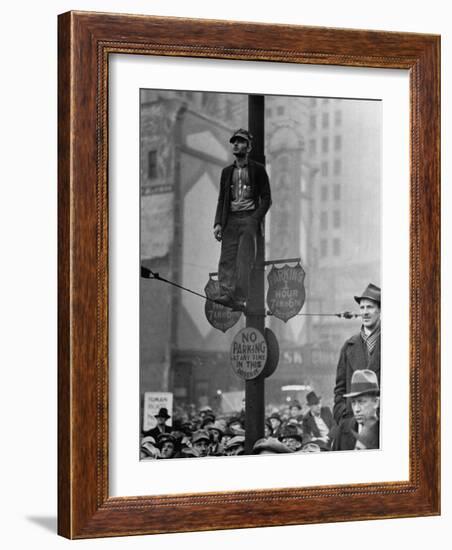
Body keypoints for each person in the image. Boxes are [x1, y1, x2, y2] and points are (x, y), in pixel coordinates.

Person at [213, 129, 272, 310]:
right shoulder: (226, 172)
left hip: (248, 219)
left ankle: (239, 298)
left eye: (240, 141)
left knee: (244, 259)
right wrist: (218, 223)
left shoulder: (258, 170)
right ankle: (226, 294)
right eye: (234, 142)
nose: (236, 144)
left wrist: (254, 220)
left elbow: (267, 199)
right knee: (227, 258)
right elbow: (222, 199)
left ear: (248, 146)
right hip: (230, 219)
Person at [333, 283, 381, 424]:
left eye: (370, 307)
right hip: (352, 423)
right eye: (362, 308)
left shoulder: (393, 345)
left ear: (380, 310)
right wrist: (342, 416)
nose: (365, 312)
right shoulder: (349, 346)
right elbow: (339, 389)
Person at [332, 369, 380, 451]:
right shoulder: (343, 429)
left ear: (376, 402)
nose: (356, 409)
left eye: (361, 402)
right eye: (353, 403)